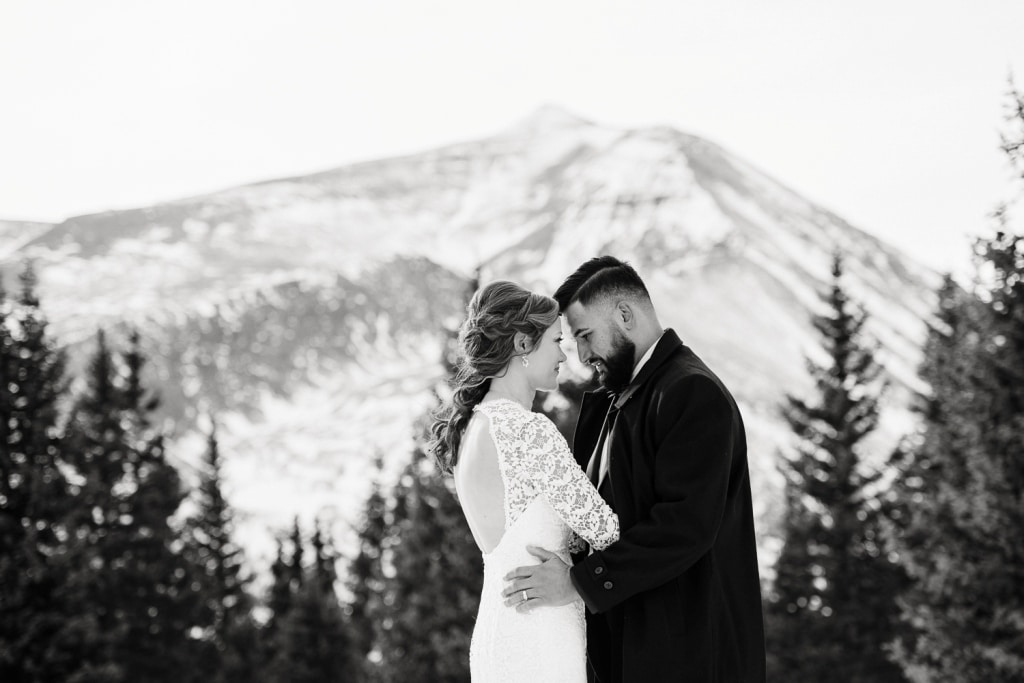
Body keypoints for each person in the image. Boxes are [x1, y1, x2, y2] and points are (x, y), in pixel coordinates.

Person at [501, 256, 766, 682]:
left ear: (625, 315)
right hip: (634, 653)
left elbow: (684, 525)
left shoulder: (693, 392)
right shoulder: (619, 398)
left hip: (690, 658)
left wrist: (579, 583)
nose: (582, 357)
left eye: (585, 336)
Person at [431, 280, 620, 682]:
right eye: (555, 341)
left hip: (500, 633)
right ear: (521, 344)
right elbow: (607, 533)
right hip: (540, 639)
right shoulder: (527, 431)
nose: (564, 356)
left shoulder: (473, 427)